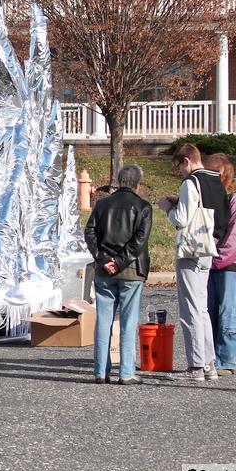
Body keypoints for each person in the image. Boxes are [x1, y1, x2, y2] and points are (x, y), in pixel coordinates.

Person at [158, 143, 228, 382]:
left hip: (191, 250)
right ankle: (209, 364)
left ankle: (195, 366)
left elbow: (182, 218)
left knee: (190, 310)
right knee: (203, 308)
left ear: (186, 161)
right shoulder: (214, 180)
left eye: (178, 167)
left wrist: (168, 208)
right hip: (209, 247)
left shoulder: (190, 183)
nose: (178, 172)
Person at [84, 164, 152, 386]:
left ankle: (100, 372)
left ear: (119, 181)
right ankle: (126, 372)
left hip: (104, 270)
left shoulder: (102, 204)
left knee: (103, 320)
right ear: (137, 184)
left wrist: (104, 259)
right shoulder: (143, 206)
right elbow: (139, 241)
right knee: (128, 322)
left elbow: (90, 232)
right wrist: (120, 262)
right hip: (131, 270)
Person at [203, 153, 236, 376]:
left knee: (227, 310)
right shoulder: (217, 196)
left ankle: (229, 358)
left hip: (229, 262)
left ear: (222, 173)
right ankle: (214, 356)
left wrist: (220, 259)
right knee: (212, 309)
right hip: (214, 260)